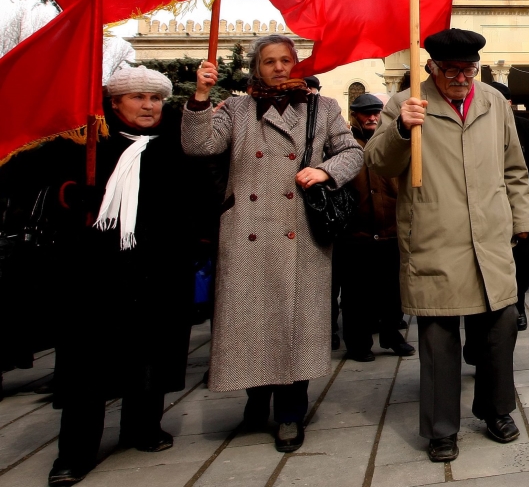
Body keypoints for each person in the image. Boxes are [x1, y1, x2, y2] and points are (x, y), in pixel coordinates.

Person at [184, 35, 363, 454]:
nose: (279, 68)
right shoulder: (236, 108)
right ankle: (255, 398)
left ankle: (290, 413)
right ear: (256, 68)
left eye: (286, 60)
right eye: (269, 62)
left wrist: (324, 171)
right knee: (252, 325)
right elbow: (199, 145)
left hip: (301, 233)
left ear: (297, 64)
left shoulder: (324, 108)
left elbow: (352, 152)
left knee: (295, 326)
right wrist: (201, 96)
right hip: (247, 232)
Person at [363, 29, 529, 463]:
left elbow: (514, 166)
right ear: (431, 69)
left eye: (469, 69)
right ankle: (442, 428)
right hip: (435, 235)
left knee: (499, 332)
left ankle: (496, 410)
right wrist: (403, 129)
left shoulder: (493, 102)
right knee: (439, 341)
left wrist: (521, 221)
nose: (462, 77)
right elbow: (378, 162)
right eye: (452, 70)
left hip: (490, 236)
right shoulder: (406, 104)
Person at [48, 67, 214, 486]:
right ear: (116, 102)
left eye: (155, 99)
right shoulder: (87, 140)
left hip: (159, 266)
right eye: (138, 98)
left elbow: (199, 186)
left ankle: (142, 426)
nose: (148, 106)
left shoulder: (174, 142)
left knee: (153, 349)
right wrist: (71, 194)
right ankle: (76, 450)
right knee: (89, 359)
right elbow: (43, 183)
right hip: (98, 270)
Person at [341, 93, 414, 361]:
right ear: (355, 116)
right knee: (356, 295)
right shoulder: (344, 144)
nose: (371, 117)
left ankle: (391, 335)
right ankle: (358, 343)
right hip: (356, 233)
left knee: (393, 292)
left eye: (375, 112)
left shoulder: (391, 141)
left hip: (392, 230)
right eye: (365, 113)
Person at [491, 82, 529, 332]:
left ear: (509, 103)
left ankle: (518, 306)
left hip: (520, 209)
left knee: (522, 263)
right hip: (489, 212)